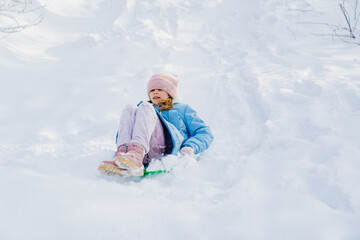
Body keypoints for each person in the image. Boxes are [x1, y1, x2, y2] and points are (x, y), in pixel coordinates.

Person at [98, 73, 214, 177]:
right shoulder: (143, 110)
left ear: (170, 93)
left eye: (160, 89)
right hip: (144, 149)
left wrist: (189, 147)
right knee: (129, 108)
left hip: (166, 148)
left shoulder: (182, 108)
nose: (155, 92)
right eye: (152, 90)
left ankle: (136, 155)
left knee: (144, 107)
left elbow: (204, 132)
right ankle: (122, 154)